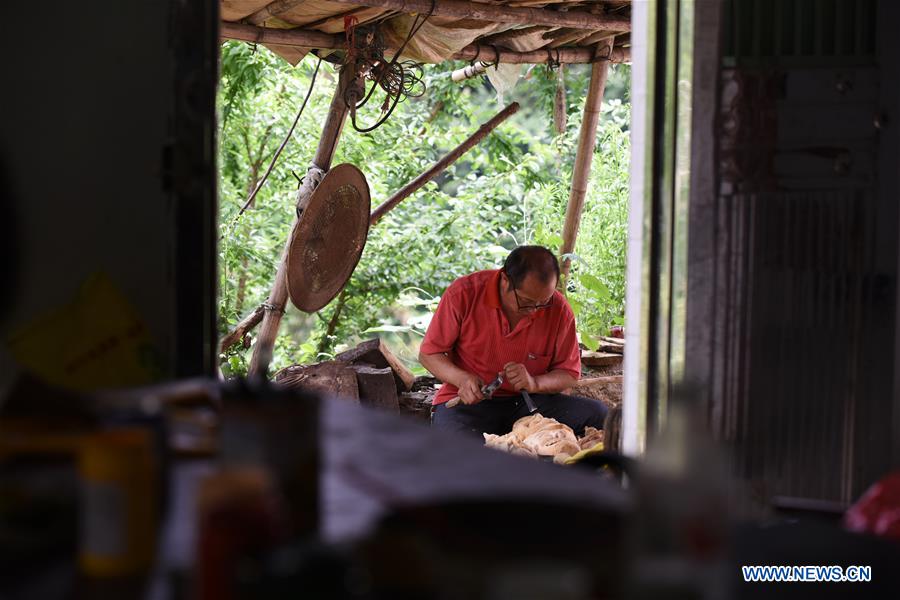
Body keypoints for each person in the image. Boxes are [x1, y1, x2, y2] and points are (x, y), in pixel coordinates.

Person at [419, 245, 608, 438]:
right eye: (526, 301)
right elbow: (429, 354)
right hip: (468, 403)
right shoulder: (464, 294)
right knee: (460, 452)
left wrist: (534, 383)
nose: (535, 310)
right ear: (504, 280)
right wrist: (462, 379)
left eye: (543, 301)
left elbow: (568, 374)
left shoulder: (558, 309)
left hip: (529, 403)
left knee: (600, 417)